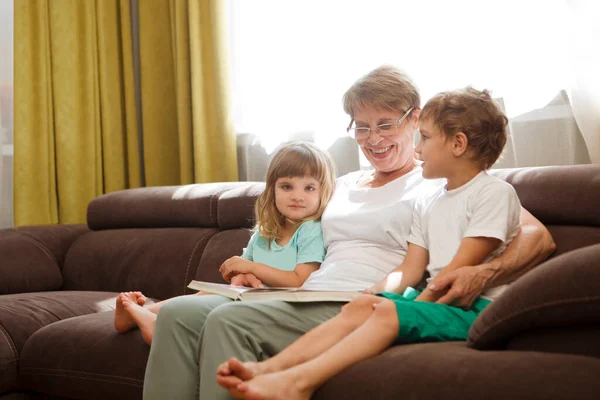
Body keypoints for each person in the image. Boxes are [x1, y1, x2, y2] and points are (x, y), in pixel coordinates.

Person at [142, 66, 555, 400]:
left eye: (385, 124)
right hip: (306, 292)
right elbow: (296, 240)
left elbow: (536, 237)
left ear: (415, 121)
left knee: (231, 322)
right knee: (179, 314)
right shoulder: (340, 183)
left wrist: (484, 274)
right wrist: (254, 270)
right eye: (361, 127)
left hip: (354, 299)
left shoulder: (444, 183)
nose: (372, 139)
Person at [216, 86, 522, 399]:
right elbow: (411, 267)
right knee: (365, 304)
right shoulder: (429, 202)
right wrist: (374, 293)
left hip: (478, 309)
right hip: (442, 301)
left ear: (458, 144)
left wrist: (408, 309)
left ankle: (297, 384)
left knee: (386, 313)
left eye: (426, 138)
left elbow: (458, 271)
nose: (418, 150)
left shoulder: (493, 193)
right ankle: (267, 369)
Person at [113, 141, 336, 345]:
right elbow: (240, 272)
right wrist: (242, 275)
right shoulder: (264, 233)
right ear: (272, 190)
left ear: (323, 191)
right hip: (248, 296)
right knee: (205, 294)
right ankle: (142, 315)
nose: (297, 196)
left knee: (218, 303)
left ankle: (155, 324)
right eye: (287, 187)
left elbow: (299, 280)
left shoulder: (311, 230)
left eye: (309, 188)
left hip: (279, 307)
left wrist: (250, 268)